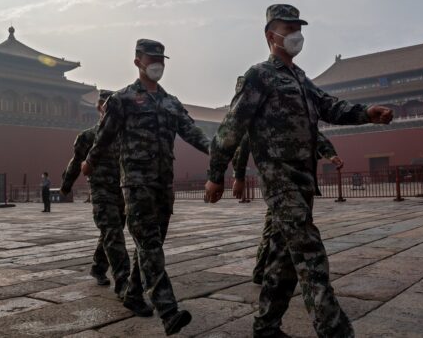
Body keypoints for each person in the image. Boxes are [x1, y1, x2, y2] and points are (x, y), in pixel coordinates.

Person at [205, 4, 393, 338]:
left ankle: (266, 327)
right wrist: (217, 174)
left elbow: (329, 105)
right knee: (309, 251)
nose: (295, 34)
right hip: (279, 179)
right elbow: (232, 128)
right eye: (287, 28)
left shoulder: (300, 77)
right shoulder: (259, 75)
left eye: (297, 28)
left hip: (304, 180)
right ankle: (335, 330)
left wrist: (366, 112)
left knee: (283, 259)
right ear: (270, 35)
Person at [82, 39, 210, 336]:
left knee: (151, 246)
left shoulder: (170, 102)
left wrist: (217, 152)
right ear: (138, 60)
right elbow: (104, 137)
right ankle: (168, 311)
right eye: (151, 58)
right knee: (150, 245)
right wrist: (89, 161)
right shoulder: (122, 99)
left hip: (163, 185)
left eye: (161, 59)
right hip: (136, 185)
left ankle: (133, 294)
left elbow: (192, 133)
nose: (157, 64)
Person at [60, 90, 151, 316]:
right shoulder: (88, 137)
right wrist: (66, 184)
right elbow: (76, 162)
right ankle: (123, 284)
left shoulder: (125, 136)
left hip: (122, 192)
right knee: (113, 233)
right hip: (101, 192)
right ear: (100, 109)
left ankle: (98, 267)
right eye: (106, 107)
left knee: (112, 232)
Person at [231, 119, 344, 285]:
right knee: (277, 228)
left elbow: (315, 136)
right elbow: (243, 146)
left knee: (288, 225)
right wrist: (239, 177)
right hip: (277, 183)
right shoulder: (262, 114)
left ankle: (270, 271)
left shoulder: (296, 114)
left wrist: (331, 154)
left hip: (303, 181)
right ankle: (274, 273)